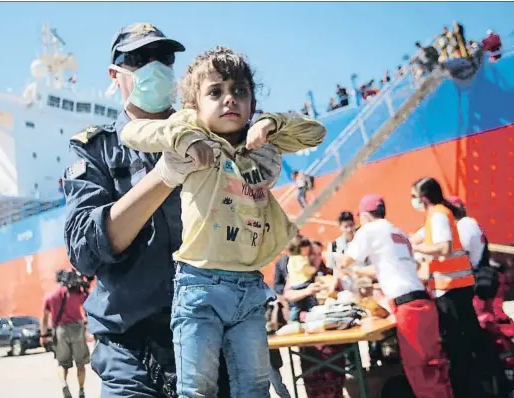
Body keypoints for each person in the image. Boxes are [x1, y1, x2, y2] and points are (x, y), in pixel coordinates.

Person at [119, 46, 326, 397]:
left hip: (248, 286)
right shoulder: (191, 129)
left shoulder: (262, 140)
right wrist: (183, 138)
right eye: (215, 92)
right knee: (197, 389)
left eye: (240, 91)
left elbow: (316, 133)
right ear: (193, 107)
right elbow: (133, 133)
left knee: (255, 387)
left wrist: (270, 123)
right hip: (199, 285)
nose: (230, 99)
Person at [63, 23, 231, 398]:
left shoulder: (210, 134)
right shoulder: (95, 150)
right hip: (133, 353)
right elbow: (83, 250)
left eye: (163, 57)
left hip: (213, 337)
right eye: (139, 59)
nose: (154, 67)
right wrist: (164, 175)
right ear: (115, 74)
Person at [336, 194, 453, 398]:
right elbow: (387, 266)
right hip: (424, 302)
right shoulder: (397, 232)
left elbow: (346, 260)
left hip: (408, 307)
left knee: (419, 370)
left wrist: (339, 262)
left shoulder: (369, 230)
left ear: (364, 215)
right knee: (435, 365)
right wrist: (358, 272)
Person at [410, 177, 511, 398]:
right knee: (474, 339)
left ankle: (474, 390)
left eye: (414, 196)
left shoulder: (440, 216)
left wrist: (417, 250)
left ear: (424, 197)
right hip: (460, 287)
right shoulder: (444, 218)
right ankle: (493, 386)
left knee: (460, 345)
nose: (412, 201)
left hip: (453, 289)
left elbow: (444, 250)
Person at [40, 270, 91, 398]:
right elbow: (89, 304)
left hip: (60, 330)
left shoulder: (50, 297)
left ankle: (64, 384)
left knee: (62, 363)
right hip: (77, 328)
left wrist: (43, 335)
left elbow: (45, 318)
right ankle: (81, 390)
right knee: (81, 364)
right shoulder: (76, 293)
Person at [285, 237, 318, 322]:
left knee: (296, 306)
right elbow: (305, 269)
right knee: (310, 304)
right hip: (303, 284)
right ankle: (296, 318)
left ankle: (293, 319)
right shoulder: (300, 258)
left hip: (295, 284)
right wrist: (314, 269)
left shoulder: (291, 259)